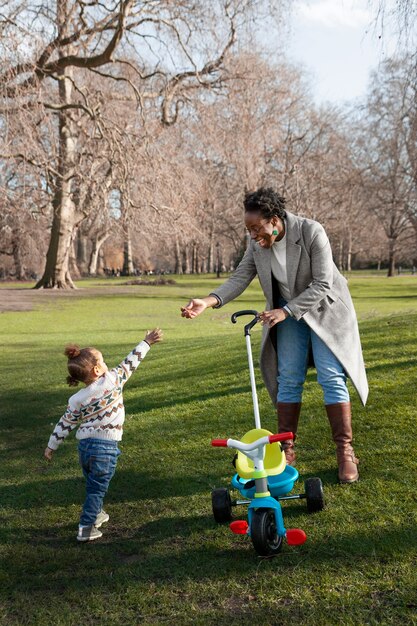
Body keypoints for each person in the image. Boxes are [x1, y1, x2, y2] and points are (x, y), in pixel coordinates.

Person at [181, 187, 368, 484]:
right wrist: (208, 301)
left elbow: (323, 283)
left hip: (326, 311)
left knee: (331, 377)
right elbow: (241, 277)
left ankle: (345, 451)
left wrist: (285, 311)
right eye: (249, 229)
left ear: (275, 219)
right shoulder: (257, 245)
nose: (253, 235)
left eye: (257, 228)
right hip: (288, 314)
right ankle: (286, 449)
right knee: (288, 378)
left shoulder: (311, 232)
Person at [44, 328, 163, 541]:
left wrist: (51, 446)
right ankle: (86, 528)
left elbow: (65, 423)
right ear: (97, 370)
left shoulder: (77, 399)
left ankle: (97, 513)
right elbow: (131, 362)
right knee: (97, 489)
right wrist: (146, 342)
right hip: (104, 448)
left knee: (93, 484)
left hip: (85, 448)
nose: (108, 365)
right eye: (103, 361)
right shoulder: (113, 380)